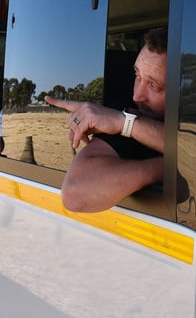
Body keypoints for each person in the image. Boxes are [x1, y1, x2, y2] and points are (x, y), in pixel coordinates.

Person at [45, 28, 167, 212]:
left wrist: (125, 124)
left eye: (153, 85)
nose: (137, 95)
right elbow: (75, 194)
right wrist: (167, 167)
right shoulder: (131, 111)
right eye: (137, 76)